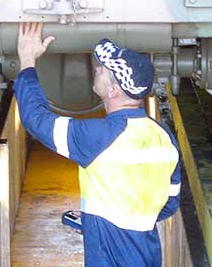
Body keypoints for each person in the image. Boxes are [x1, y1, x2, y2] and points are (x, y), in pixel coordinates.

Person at [14, 22, 182, 267]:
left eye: (103, 70)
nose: (98, 69)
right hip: (147, 254)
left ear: (113, 91)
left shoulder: (98, 137)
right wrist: (105, 220)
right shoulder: (163, 137)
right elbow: (169, 203)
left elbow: (36, 119)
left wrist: (27, 60)